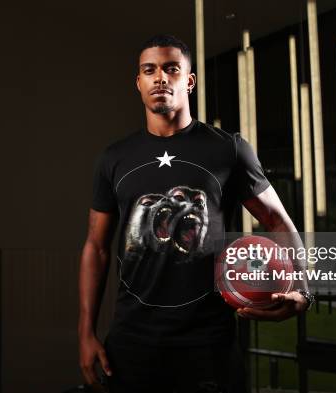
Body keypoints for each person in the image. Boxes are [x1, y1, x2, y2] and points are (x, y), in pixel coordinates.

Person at [78, 34, 312, 393]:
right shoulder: (114, 158)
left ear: (189, 81)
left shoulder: (229, 148)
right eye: (149, 70)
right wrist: (86, 332)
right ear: (138, 83)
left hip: (208, 340)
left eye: (171, 69)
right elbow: (96, 247)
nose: (160, 78)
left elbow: (277, 220)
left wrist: (303, 288)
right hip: (132, 339)